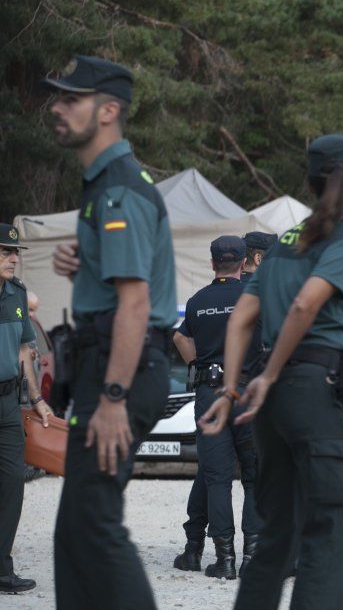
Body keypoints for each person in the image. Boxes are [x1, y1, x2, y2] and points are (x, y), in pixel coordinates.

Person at [198, 133, 343, 610]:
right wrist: (270, 373)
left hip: (273, 406)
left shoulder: (284, 242)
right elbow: (305, 305)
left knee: (276, 535)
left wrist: (232, 390)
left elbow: (240, 319)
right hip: (316, 389)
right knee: (331, 529)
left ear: (311, 182)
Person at [47, 55, 178, 609]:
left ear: (108, 111)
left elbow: (136, 302)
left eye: (70, 99)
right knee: (75, 532)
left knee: (94, 523)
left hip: (118, 371)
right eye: (57, 97)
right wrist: (91, 258)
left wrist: (113, 398)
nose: (57, 107)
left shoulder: (118, 188)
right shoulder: (110, 184)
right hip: (109, 364)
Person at [172, 236, 262, 579]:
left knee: (217, 480)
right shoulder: (256, 297)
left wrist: (201, 364)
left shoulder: (197, 302)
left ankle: (225, 561)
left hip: (211, 394)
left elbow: (179, 337)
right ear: (243, 263)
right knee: (254, 479)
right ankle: (252, 557)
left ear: (212, 264)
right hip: (248, 393)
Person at [0, 224, 52, 594]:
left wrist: (37, 399)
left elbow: (24, 353)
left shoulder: (17, 295)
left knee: (12, 484)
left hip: (6, 403)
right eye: (5, 251)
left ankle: (3, 569)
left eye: (15, 252)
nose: (13, 258)